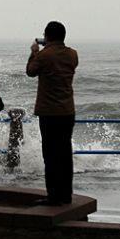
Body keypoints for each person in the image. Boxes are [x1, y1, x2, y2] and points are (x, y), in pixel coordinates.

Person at [26, 21, 78, 205]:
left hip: (49, 112)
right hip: (67, 111)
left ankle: (53, 196)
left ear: (47, 36)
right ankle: (66, 194)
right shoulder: (72, 54)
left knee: (50, 154)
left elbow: (30, 72)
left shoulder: (43, 55)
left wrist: (34, 52)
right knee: (64, 153)